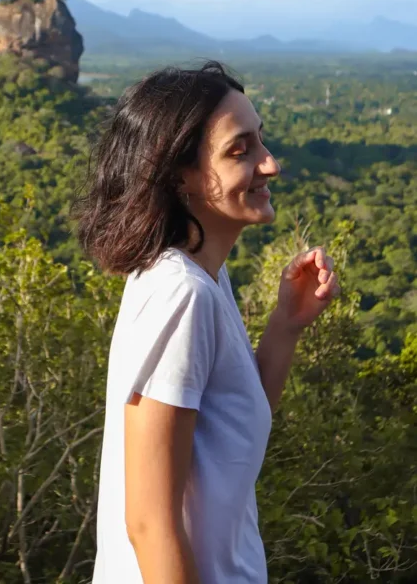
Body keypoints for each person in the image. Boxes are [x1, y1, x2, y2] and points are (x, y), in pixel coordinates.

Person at [77, 62, 341, 584]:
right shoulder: (182, 293)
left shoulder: (200, 278)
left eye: (261, 141)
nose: (271, 165)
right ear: (179, 175)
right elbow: (150, 524)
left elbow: (231, 434)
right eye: (240, 150)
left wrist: (285, 325)